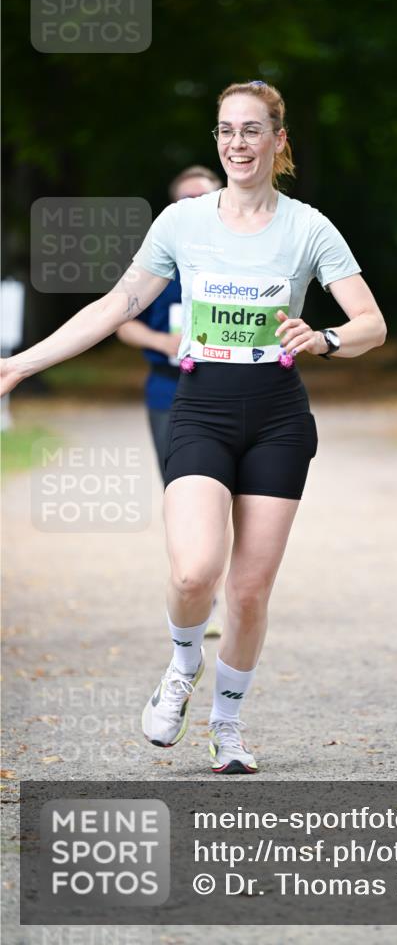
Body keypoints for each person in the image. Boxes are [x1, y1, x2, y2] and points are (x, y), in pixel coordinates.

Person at [0, 80, 386, 773]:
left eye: (250, 130)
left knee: (247, 590)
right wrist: (21, 364)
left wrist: (323, 338)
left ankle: (228, 724)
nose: (236, 143)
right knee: (194, 573)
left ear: (277, 140)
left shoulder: (308, 227)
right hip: (200, 411)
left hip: (277, 421)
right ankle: (182, 667)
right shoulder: (182, 223)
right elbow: (116, 304)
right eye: (225, 130)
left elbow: (371, 325)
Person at [116, 165, 225, 638]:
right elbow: (124, 321)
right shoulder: (158, 260)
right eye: (183, 200)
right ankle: (198, 592)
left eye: (201, 197)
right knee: (183, 497)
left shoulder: (242, 256)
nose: (192, 207)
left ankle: (224, 593)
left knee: (229, 498)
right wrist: (166, 344)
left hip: (228, 391)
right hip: (168, 391)